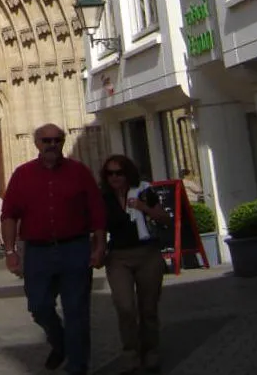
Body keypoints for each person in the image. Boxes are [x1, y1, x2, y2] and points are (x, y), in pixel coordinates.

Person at [1, 124, 106, 375]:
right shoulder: (22, 174)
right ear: (36, 143)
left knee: (77, 311)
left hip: (75, 248)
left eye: (56, 140)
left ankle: (78, 367)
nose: (51, 144)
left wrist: (100, 246)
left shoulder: (79, 172)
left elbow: (97, 212)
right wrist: (10, 251)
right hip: (37, 252)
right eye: (46, 140)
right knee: (38, 306)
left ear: (62, 142)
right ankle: (60, 343)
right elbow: (9, 214)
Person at [101, 154, 169, 374]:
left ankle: (151, 353)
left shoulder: (143, 191)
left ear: (127, 173)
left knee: (148, 308)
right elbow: (98, 228)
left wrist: (143, 207)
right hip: (118, 258)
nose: (114, 177)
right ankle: (130, 355)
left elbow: (164, 218)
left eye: (118, 173)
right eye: (110, 173)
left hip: (147, 253)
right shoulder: (103, 197)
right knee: (125, 307)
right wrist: (97, 250)